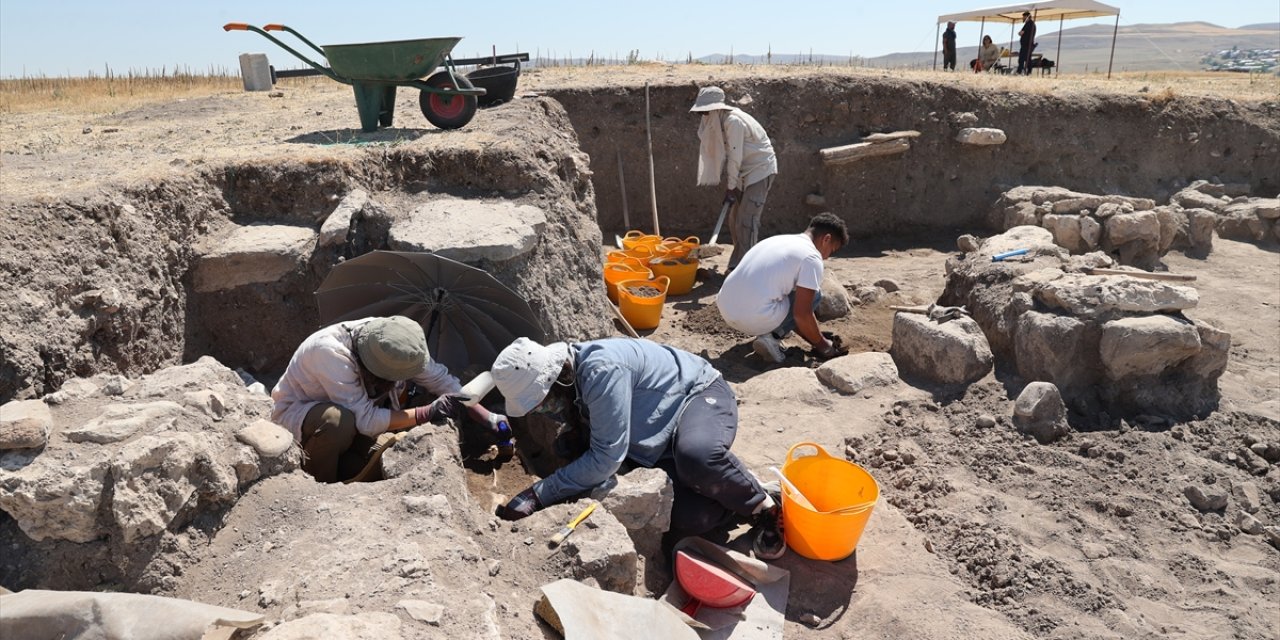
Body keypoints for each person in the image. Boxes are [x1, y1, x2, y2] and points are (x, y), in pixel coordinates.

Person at [488, 336, 787, 560]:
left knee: (697, 456)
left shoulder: (601, 370)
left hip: (696, 398)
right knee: (688, 517)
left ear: (555, 378)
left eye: (540, 401)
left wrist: (539, 494)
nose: (542, 410)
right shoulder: (570, 385)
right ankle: (732, 483)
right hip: (656, 438)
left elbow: (606, 457)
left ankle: (764, 506)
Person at [271, 316, 510, 483]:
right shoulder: (329, 353)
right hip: (301, 420)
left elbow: (440, 380)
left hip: (353, 420)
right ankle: (318, 484)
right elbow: (365, 420)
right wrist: (427, 412)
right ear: (373, 368)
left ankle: (342, 472)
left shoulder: (397, 342)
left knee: (374, 467)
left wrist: (485, 415)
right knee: (337, 421)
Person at [716, 213, 850, 365]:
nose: (826, 257)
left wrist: (814, 337)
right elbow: (801, 314)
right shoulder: (811, 258)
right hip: (749, 318)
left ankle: (770, 332)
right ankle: (771, 338)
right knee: (815, 295)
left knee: (791, 293)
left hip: (725, 309)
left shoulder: (778, 240)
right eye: (831, 250)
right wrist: (824, 346)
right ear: (826, 239)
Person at [690, 86, 778, 272]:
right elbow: (730, 156)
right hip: (742, 173)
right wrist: (733, 185)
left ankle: (748, 269)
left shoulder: (733, 122)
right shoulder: (719, 122)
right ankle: (739, 263)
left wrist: (730, 187)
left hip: (759, 170)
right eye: (701, 112)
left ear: (716, 108)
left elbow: (735, 157)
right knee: (734, 218)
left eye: (705, 111)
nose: (703, 116)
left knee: (747, 220)